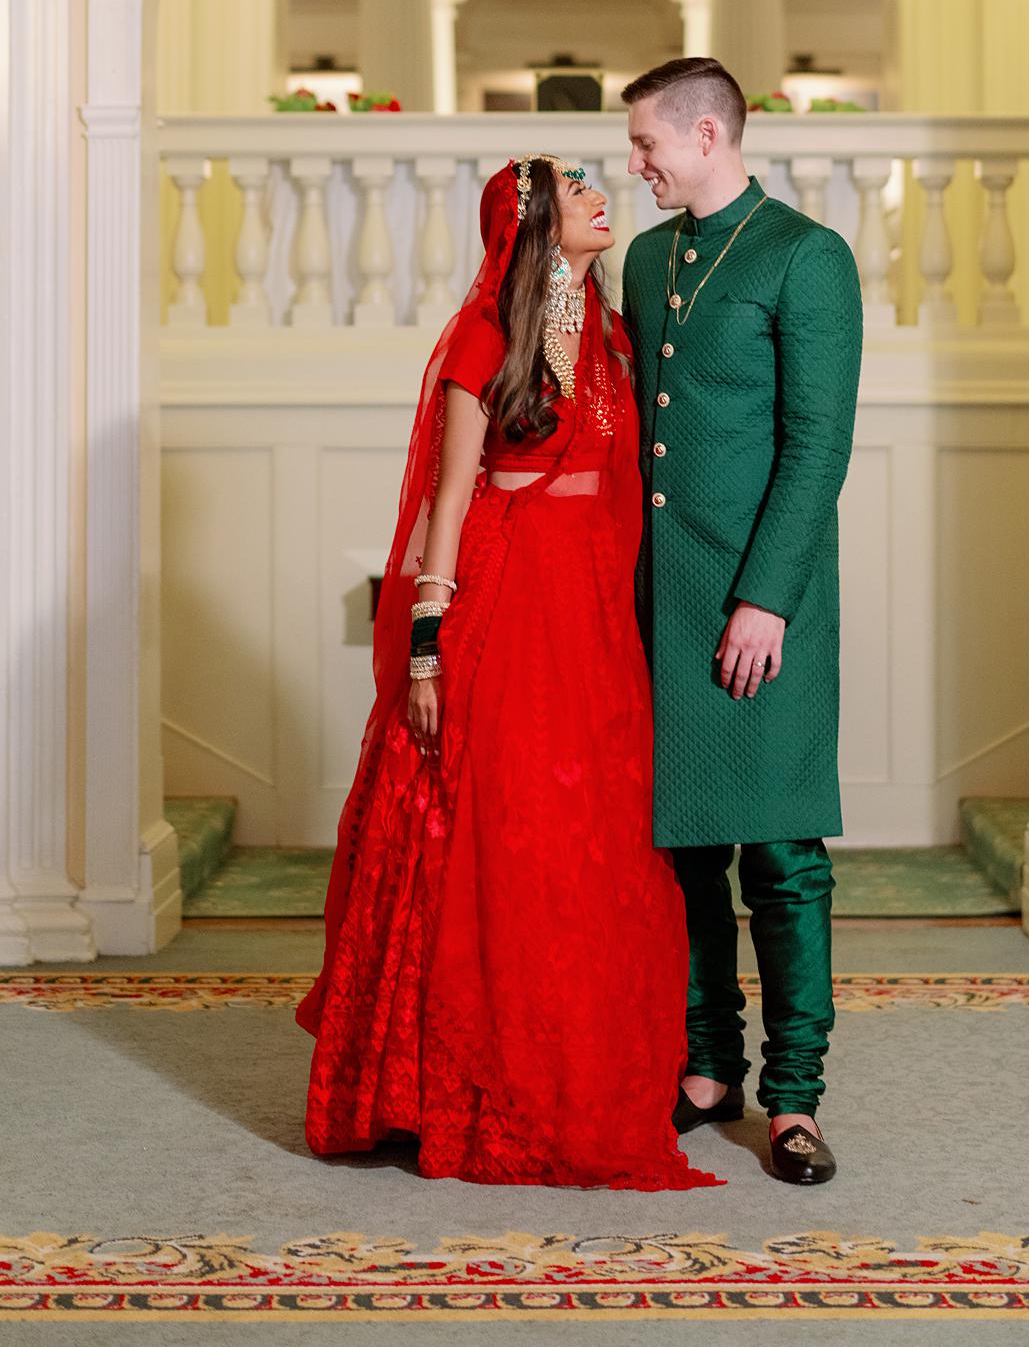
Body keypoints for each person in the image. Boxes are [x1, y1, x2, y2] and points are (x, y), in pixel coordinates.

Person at [297, 154, 719, 1192]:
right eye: (573, 188)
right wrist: (428, 646)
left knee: (593, 835)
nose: (595, 194)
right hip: (506, 605)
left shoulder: (614, 336)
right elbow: (447, 503)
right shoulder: (484, 338)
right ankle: (467, 1082)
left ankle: (581, 1060)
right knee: (505, 830)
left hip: (592, 618)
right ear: (532, 224)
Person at [620, 57, 864, 1186]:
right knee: (683, 853)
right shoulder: (645, 257)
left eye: (646, 146)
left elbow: (815, 449)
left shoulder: (806, 257)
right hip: (661, 600)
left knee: (779, 856)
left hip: (763, 602)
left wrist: (764, 596)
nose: (636, 166)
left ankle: (796, 1097)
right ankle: (707, 1064)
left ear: (705, 132)